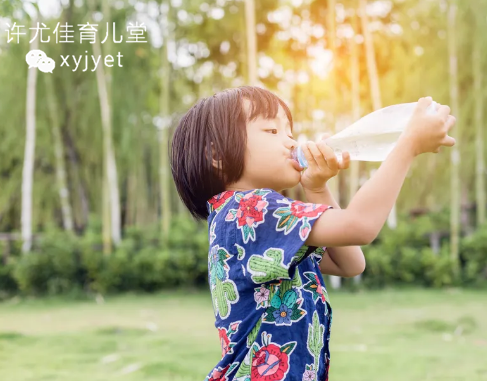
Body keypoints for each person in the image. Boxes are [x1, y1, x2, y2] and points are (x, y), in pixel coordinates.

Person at [169, 86, 456, 381]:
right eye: (271, 131)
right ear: (217, 154)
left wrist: (317, 189)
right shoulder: (250, 210)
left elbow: (350, 263)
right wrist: (406, 145)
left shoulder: (251, 222)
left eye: (289, 132)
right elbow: (359, 226)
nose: (290, 141)